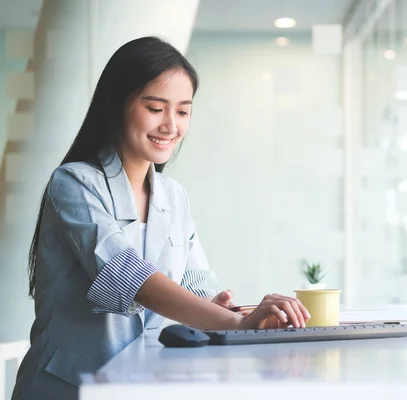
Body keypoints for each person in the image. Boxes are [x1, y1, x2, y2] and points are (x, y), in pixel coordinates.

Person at [11, 36, 310, 400]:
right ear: (116, 104)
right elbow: (132, 279)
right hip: (66, 388)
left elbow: (199, 287)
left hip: (141, 384)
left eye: (183, 111)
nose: (171, 125)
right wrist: (237, 322)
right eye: (155, 108)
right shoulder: (74, 183)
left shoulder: (173, 196)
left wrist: (244, 314)